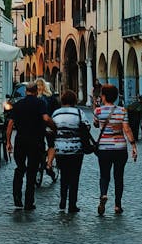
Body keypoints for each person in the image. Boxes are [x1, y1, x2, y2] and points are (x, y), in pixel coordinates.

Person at [6, 81, 55, 211]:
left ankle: (17, 198)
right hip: (36, 141)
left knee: (20, 168)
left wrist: (8, 141)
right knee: (32, 171)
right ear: (36, 91)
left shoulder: (18, 105)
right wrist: (53, 126)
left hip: (20, 141)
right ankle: (29, 202)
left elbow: (10, 124)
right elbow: (45, 118)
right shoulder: (40, 103)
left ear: (26, 91)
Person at [93, 83, 137, 215]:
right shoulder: (122, 111)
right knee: (119, 177)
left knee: (104, 175)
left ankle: (103, 194)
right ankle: (117, 205)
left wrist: (96, 107)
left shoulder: (98, 111)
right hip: (120, 148)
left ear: (104, 96)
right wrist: (133, 146)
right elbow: (127, 129)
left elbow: (96, 124)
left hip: (104, 148)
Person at [49, 89, 88, 212]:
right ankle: (72, 204)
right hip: (76, 149)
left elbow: (50, 130)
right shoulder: (79, 112)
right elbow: (86, 127)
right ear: (74, 100)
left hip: (60, 149)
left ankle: (62, 200)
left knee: (64, 176)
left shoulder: (56, 114)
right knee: (74, 177)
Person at [35, 77, 58, 180]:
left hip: (37, 127)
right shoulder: (51, 98)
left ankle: (38, 162)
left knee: (37, 144)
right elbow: (56, 112)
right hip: (49, 125)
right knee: (52, 144)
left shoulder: (35, 98)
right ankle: (49, 164)